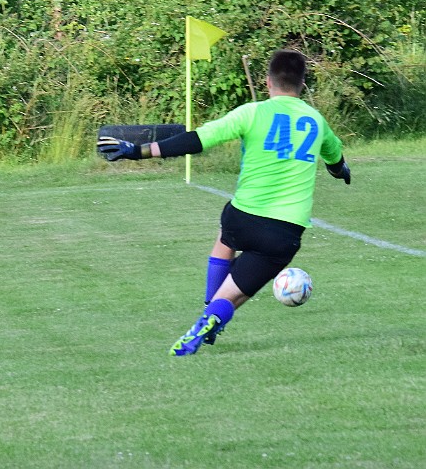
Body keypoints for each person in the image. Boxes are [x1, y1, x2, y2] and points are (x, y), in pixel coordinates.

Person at [96, 49, 351, 356]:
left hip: (242, 218)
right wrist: (341, 171)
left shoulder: (252, 112)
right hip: (286, 231)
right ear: (302, 83)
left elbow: (197, 139)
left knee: (225, 237)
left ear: (268, 82)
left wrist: (139, 151)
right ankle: (211, 317)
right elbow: (335, 159)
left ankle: (210, 307)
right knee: (233, 295)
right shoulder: (317, 121)